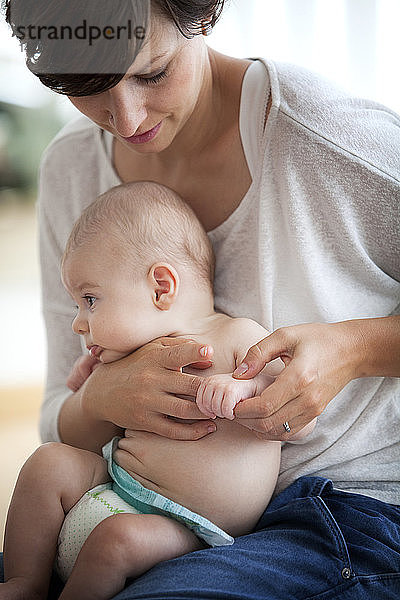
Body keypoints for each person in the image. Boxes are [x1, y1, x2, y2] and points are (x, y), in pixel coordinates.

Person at [2, 1, 400, 598]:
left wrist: (354, 348)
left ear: (203, 14)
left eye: (152, 73)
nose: (126, 116)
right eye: (87, 89)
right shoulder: (73, 168)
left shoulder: (332, 142)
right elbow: (59, 414)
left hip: (341, 512)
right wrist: (102, 397)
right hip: (130, 491)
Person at [3, 180, 306, 600]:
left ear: (160, 287)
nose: (78, 321)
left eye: (90, 300)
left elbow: (299, 415)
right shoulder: (129, 353)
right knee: (47, 462)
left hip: (190, 524)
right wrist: (90, 384)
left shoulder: (240, 337)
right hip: (116, 481)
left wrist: (245, 389)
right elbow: (85, 420)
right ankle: (23, 583)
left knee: (116, 541)